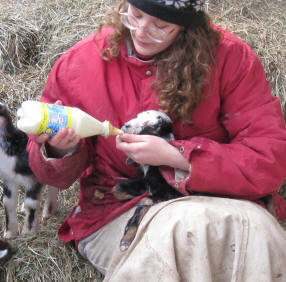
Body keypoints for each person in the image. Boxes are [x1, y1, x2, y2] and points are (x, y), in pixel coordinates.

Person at [27, 0, 286, 280]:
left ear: (188, 27)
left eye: (160, 26)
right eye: (135, 15)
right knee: (185, 230)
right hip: (118, 208)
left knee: (256, 232)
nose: (140, 32)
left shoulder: (230, 59)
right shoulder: (80, 64)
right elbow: (52, 176)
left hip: (221, 200)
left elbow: (268, 158)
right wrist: (59, 149)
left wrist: (176, 157)